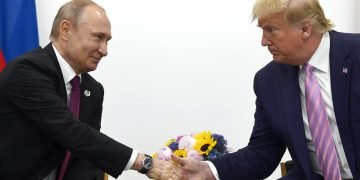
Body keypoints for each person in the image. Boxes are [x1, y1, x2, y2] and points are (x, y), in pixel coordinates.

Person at [171, 0, 360, 179]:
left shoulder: (356, 53)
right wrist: (209, 170)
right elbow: (263, 152)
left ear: (305, 29)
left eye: (272, 30)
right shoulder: (268, 80)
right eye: (262, 31)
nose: (264, 41)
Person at [0, 0, 177, 180]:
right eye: (98, 37)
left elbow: (86, 158)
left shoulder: (93, 89)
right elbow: (70, 130)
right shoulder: (26, 70)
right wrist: (143, 163)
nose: (105, 50)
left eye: (107, 41)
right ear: (66, 29)